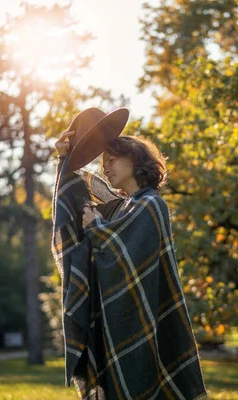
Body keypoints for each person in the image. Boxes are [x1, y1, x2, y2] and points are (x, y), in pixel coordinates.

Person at [52, 129, 208, 400]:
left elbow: (129, 254)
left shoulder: (152, 204)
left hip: (143, 318)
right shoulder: (121, 207)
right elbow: (76, 198)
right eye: (103, 164)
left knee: (144, 381)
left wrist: (98, 228)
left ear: (135, 159)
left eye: (112, 160)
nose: (106, 168)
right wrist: (63, 160)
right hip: (115, 318)